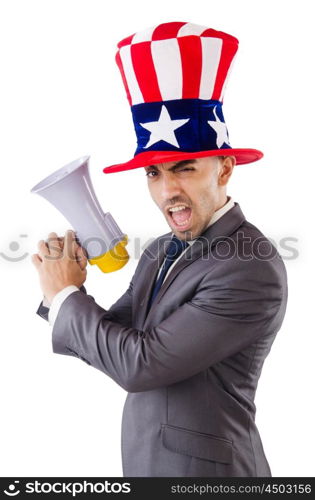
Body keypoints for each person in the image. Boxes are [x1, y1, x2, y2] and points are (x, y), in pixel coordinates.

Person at [32, 22, 288, 477]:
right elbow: (109, 339)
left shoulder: (251, 265)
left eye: (184, 169)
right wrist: (62, 287)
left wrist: (68, 297)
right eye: (153, 173)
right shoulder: (161, 251)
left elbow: (139, 364)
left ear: (224, 168)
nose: (167, 189)